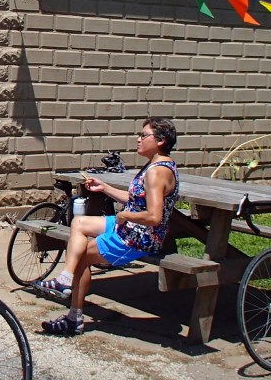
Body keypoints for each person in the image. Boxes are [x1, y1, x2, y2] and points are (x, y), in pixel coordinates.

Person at [34, 117, 179, 336]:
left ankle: (74, 318)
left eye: (143, 135)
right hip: (132, 227)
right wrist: (104, 188)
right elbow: (135, 198)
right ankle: (65, 279)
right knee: (79, 223)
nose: (138, 139)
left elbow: (154, 216)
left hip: (139, 237)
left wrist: (125, 215)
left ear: (160, 141)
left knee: (80, 255)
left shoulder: (156, 172)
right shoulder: (159, 165)